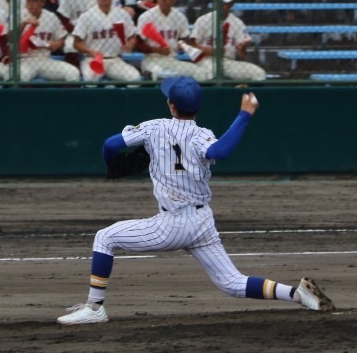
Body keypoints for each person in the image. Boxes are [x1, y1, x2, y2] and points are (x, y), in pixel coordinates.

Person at [56, 78, 334, 325]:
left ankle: (95, 308)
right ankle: (299, 295)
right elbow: (221, 151)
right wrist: (245, 114)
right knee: (231, 282)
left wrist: (112, 165)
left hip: (171, 225)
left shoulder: (154, 128)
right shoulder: (203, 135)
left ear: (171, 105)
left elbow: (109, 145)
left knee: (105, 238)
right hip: (201, 221)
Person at [189, 0, 265, 83]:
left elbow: (242, 55)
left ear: (232, 4)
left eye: (224, 3)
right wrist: (208, 51)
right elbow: (192, 46)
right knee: (210, 72)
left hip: (229, 62)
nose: (220, 6)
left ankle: (241, 93)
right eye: (218, 3)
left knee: (259, 73)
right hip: (206, 60)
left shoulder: (237, 23)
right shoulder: (203, 20)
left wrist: (242, 49)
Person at [70, 0, 140, 83]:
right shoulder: (86, 16)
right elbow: (77, 43)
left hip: (115, 59)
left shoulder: (122, 14)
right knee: (90, 80)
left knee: (135, 78)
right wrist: (91, 51)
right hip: (92, 59)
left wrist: (130, 44)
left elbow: (132, 37)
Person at [136, 0, 200, 81]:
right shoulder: (146, 17)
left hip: (172, 60)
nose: (163, 0)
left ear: (174, 0)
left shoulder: (180, 17)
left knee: (200, 72)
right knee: (158, 74)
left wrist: (182, 45)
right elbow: (138, 45)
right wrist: (156, 50)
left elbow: (183, 39)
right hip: (151, 60)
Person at [16, 0, 79, 83]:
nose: (31, 3)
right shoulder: (17, 14)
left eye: (35, 0)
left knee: (73, 73)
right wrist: (24, 23)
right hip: (24, 60)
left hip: (45, 60)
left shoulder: (51, 16)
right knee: (21, 77)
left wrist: (57, 44)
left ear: (43, 2)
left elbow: (61, 39)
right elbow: (9, 38)